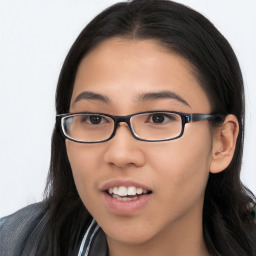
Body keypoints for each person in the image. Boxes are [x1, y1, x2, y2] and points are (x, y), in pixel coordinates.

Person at [0, 0, 255, 255]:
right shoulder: (14, 245)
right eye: (94, 119)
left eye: (158, 118)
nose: (120, 154)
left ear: (222, 144)